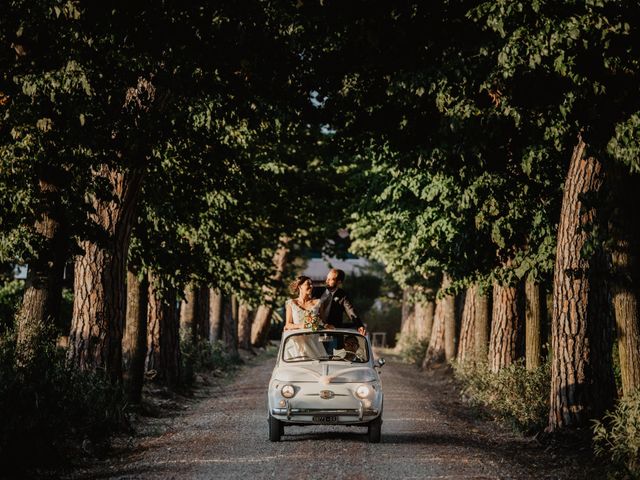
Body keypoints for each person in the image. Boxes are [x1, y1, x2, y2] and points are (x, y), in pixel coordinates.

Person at [320, 268, 366, 335]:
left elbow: (351, 311)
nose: (327, 281)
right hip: (316, 331)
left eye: (331, 279)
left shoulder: (342, 295)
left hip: (333, 332)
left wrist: (359, 325)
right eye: (327, 278)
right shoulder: (317, 291)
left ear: (339, 282)